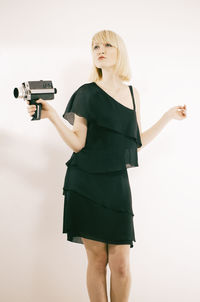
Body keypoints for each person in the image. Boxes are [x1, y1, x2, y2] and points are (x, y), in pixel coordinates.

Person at [27, 29, 187, 302]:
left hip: (116, 183)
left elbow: (134, 144)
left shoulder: (133, 93)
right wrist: (53, 116)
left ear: (119, 51)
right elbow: (78, 143)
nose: (99, 50)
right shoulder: (86, 93)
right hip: (85, 182)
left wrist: (167, 117)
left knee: (121, 264)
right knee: (98, 260)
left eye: (106, 45)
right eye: (95, 47)